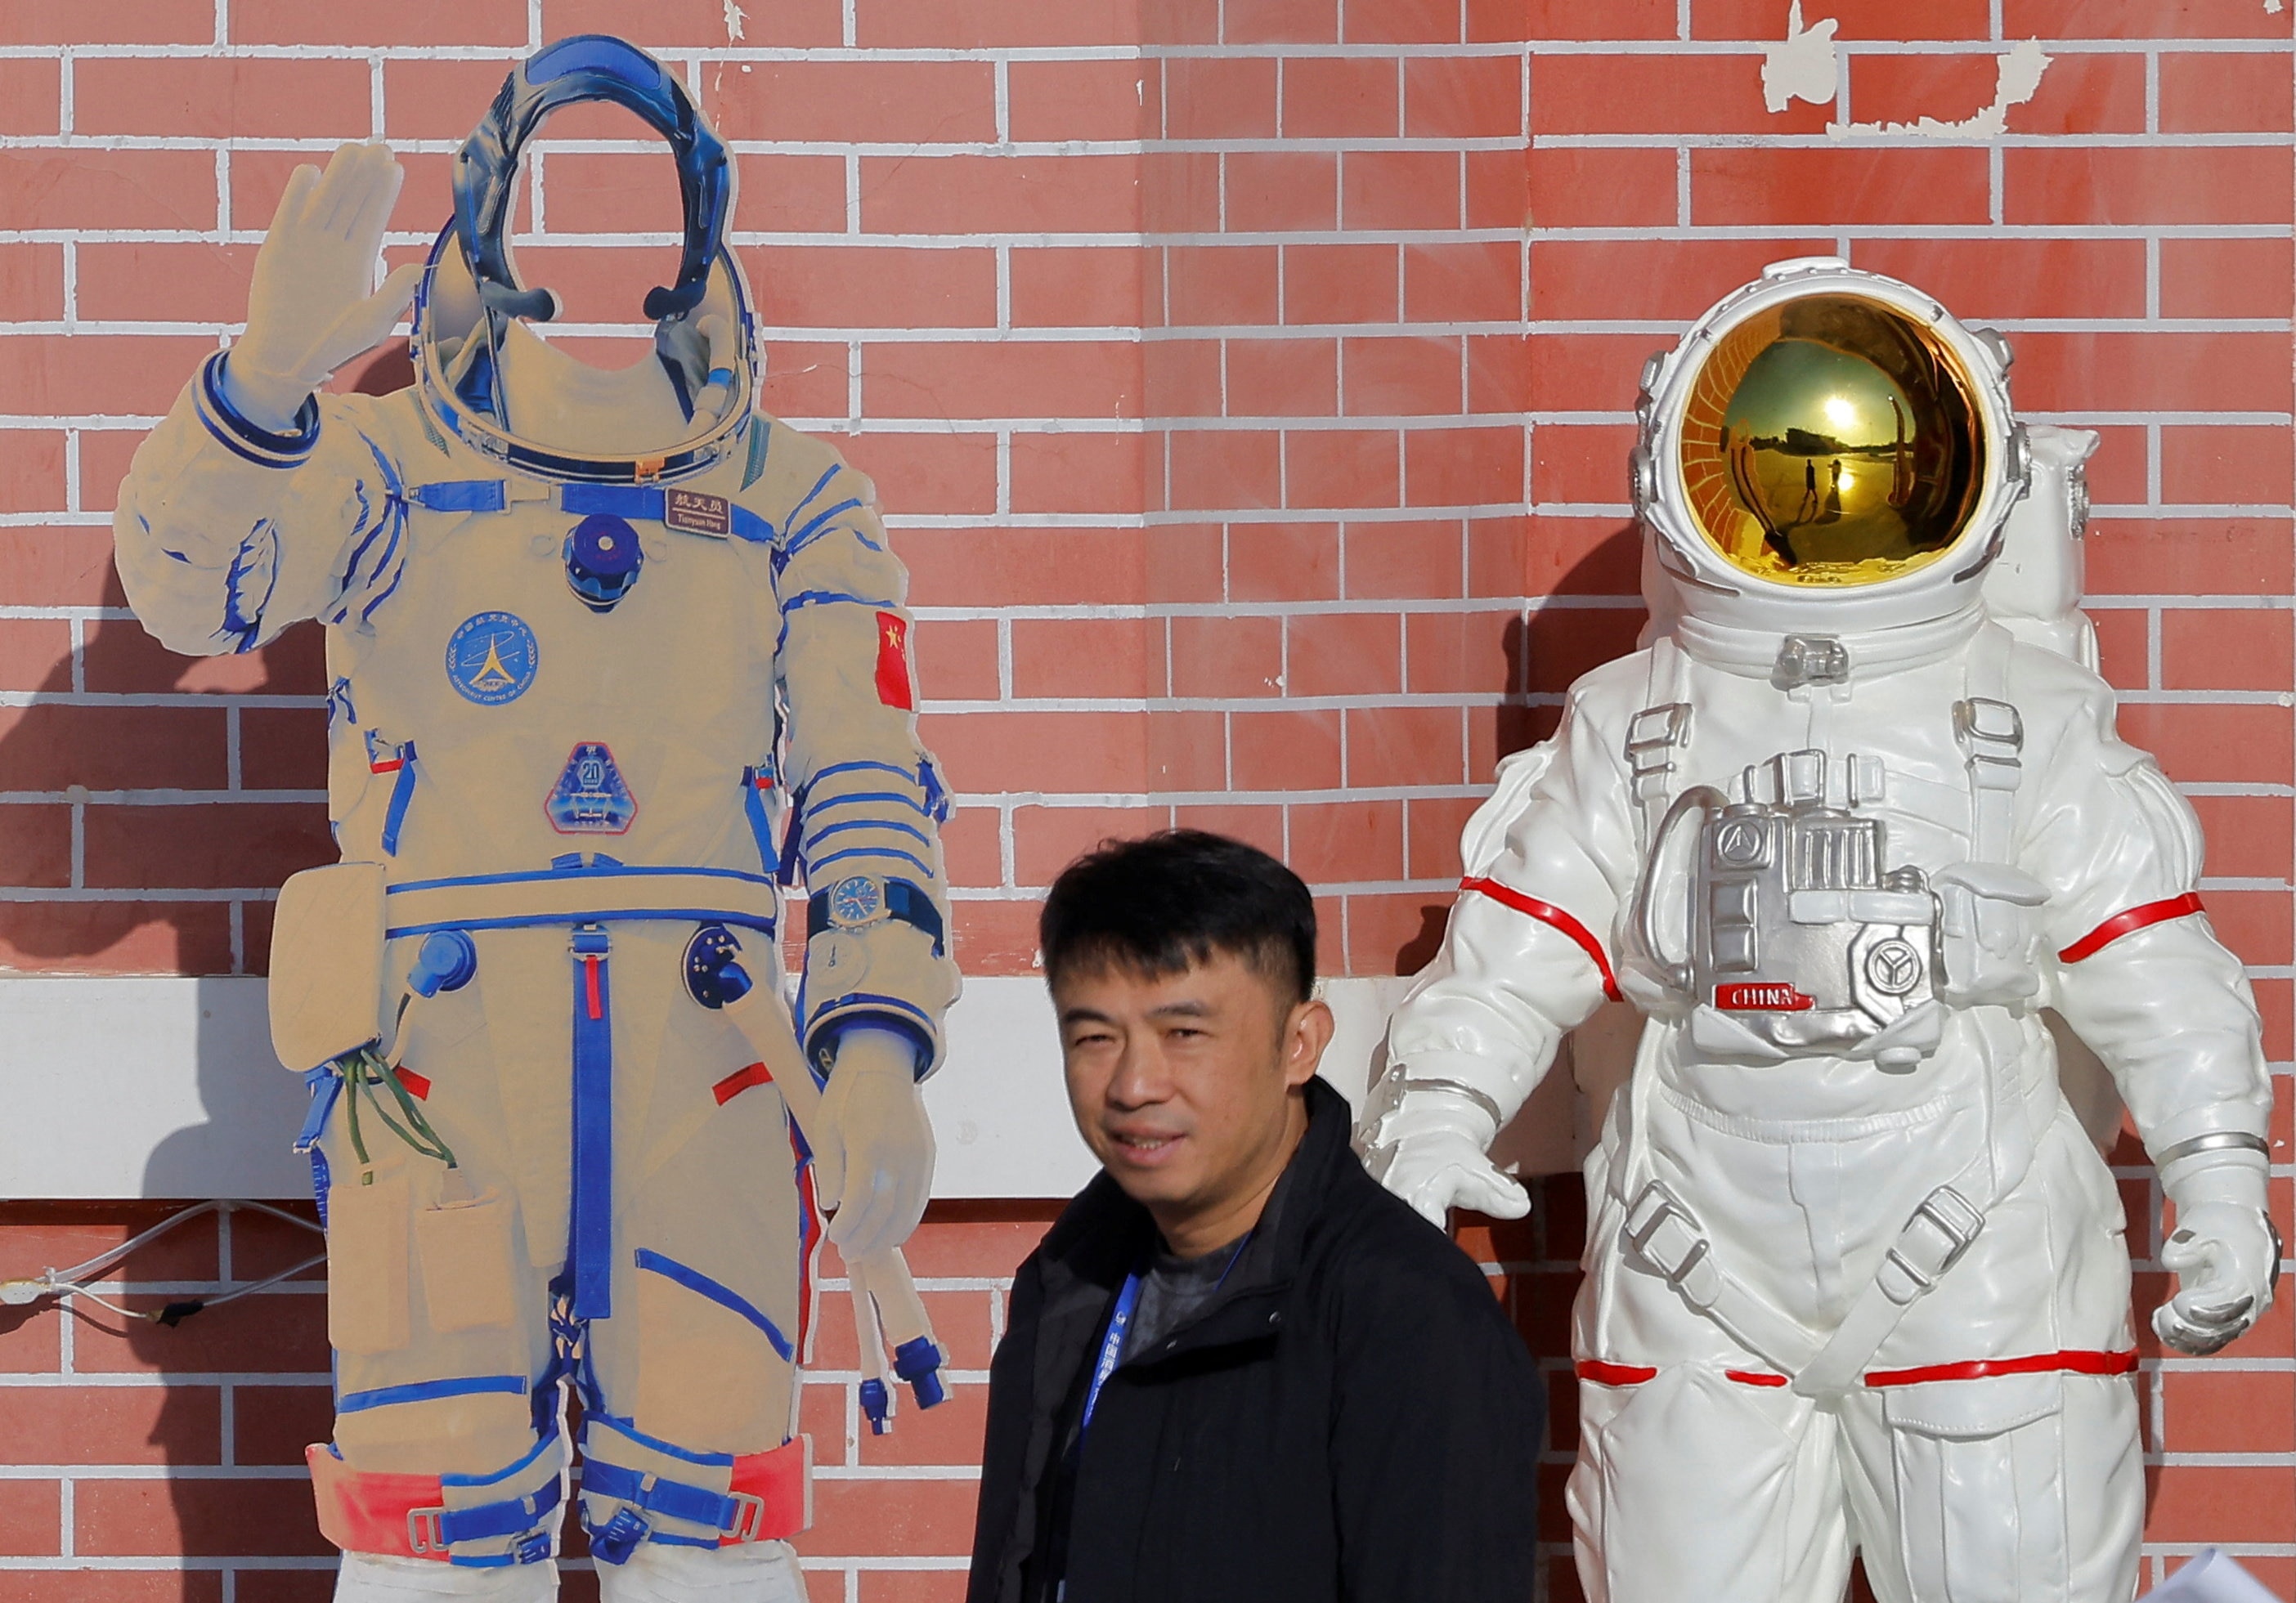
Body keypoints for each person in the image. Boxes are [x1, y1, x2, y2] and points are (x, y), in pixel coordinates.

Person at [110, 36, 959, 1603]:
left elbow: (865, 784)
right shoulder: (376, 473)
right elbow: (187, 589)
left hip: (702, 1081)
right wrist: (258, 388)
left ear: (704, 238)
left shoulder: (795, 496)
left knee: (711, 1551)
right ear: (483, 238)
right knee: (439, 1551)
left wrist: (878, 1046)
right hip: (439, 1087)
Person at [1360, 259, 2280, 1603]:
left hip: (1980, 1261)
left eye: (1862, 463)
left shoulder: (2022, 721)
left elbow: (2154, 970)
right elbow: (1510, 948)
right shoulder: (1634, 723)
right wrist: (1433, 1119)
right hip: (1695, 1261)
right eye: (1793, 462)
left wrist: (2218, 1174)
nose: (1831, 499)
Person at [967, 831, 1545, 1603]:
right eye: (1096, 1037)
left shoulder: (1407, 1316)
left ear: (1300, 1044)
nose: (1135, 1083)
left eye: (1184, 1034)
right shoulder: (1067, 1283)